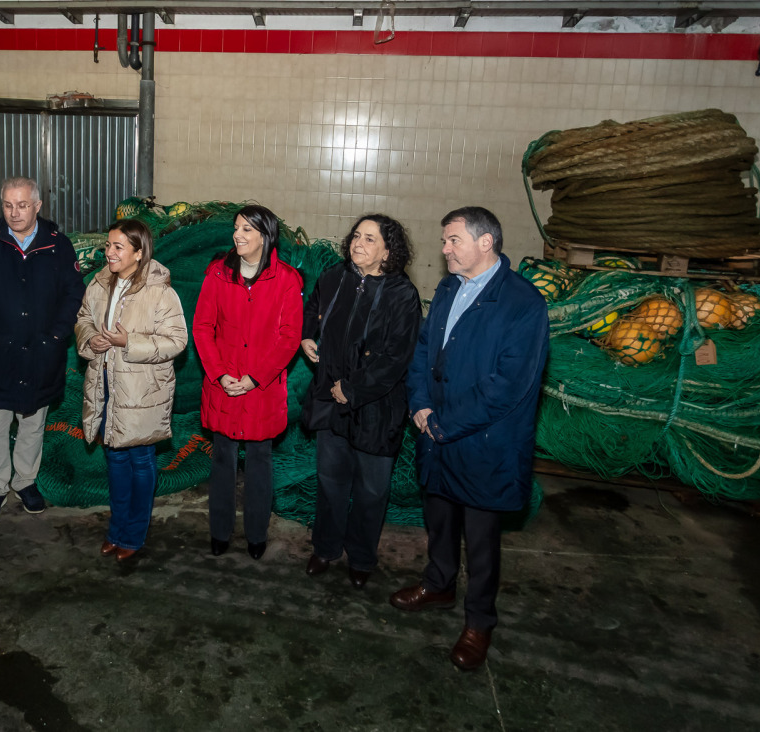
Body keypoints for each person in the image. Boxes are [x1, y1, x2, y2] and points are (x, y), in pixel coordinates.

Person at [393, 207, 549, 671]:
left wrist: (442, 423)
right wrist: (420, 404)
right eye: (445, 241)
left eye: (452, 240)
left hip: (484, 442)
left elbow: (507, 385)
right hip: (435, 431)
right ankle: (438, 583)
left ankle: (480, 621)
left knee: (481, 540)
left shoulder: (523, 303)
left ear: (486, 243)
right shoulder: (447, 288)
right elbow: (423, 351)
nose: (444, 250)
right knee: (439, 519)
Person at [0, 176, 85, 526]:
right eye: (8, 205)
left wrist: (56, 337)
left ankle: (25, 481)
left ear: (38, 206)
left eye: (23, 205)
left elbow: (74, 294)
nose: (15, 212)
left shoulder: (59, 246)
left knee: (32, 423)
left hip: (41, 353)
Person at [300, 214, 421, 589]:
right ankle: (325, 548)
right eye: (356, 236)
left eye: (370, 239)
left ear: (388, 251)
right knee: (330, 481)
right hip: (331, 404)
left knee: (371, 491)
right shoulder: (335, 278)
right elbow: (312, 310)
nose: (358, 244)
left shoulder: (403, 294)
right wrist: (307, 336)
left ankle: (362, 558)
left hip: (376, 408)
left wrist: (352, 390)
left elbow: (395, 357)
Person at [192, 205, 302, 560]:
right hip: (223, 384)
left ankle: (257, 534)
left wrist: (254, 378)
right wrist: (220, 373)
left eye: (247, 230)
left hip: (262, 389)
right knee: (222, 459)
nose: (237, 235)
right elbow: (203, 327)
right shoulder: (218, 274)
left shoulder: (286, 279)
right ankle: (219, 532)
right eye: (236, 228)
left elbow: (289, 337)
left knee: (259, 460)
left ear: (265, 237)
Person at [75, 220, 187, 561]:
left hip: (141, 393)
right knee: (115, 462)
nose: (109, 252)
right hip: (104, 386)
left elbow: (177, 341)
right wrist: (89, 338)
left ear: (138, 253)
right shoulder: (98, 284)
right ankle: (117, 529)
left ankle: (134, 535)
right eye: (108, 245)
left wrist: (130, 342)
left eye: (118, 247)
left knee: (140, 461)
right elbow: (82, 319)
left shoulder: (159, 291)